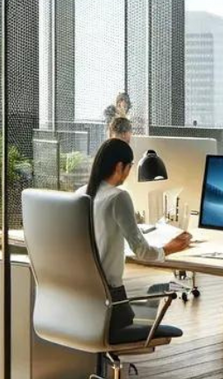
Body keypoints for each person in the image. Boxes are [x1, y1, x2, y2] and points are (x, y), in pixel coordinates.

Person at [80, 139, 193, 338]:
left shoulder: (81, 194)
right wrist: (169, 248)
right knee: (159, 287)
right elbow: (142, 251)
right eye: (130, 167)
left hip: (83, 306)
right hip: (112, 307)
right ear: (119, 167)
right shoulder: (117, 197)